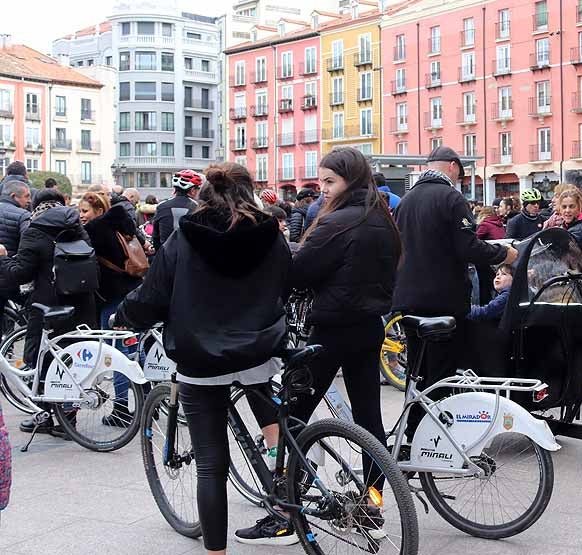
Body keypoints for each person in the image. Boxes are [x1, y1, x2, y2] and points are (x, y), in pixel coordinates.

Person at [116, 162, 291, 551]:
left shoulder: (184, 237)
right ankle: (286, 492)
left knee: (211, 466)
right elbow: (286, 282)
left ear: (202, 195)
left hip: (200, 357)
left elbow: (154, 294)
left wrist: (124, 317)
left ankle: (217, 550)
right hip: (257, 349)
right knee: (272, 420)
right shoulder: (271, 235)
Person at [240, 147, 400, 540]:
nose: (324, 189)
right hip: (368, 327)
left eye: (330, 181)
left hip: (330, 330)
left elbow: (297, 272)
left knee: (292, 418)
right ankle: (372, 503)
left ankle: (284, 514)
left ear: (350, 181)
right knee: (369, 420)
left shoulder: (337, 222)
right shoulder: (381, 218)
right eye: (322, 182)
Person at [393, 146, 516, 436]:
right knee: (442, 375)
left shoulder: (406, 201)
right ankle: (431, 437)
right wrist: (503, 255)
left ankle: (411, 436)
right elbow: (468, 247)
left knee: (417, 373)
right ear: (452, 167)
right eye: (460, 174)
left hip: (409, 300)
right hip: (443, 299)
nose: (459, 179)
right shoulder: (450, 197)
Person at [0, 189, 97, 436]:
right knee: (73, 361)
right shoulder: (77, 226)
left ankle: (43, 417)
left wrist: (3, 259)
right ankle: (69, 420)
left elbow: (20, 272)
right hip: (82, 304)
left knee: (38, 359)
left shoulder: (35, 230)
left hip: (48, 307)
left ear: (35, 205)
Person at [79, 190, 144, 425]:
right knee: (135, 349)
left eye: (85, 211)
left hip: (114, 297)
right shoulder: (123, 223)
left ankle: (121, 409)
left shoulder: (95, 230)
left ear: (98, 211)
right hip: (133, 291)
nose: (81, 215)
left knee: (116, 355)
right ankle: (147, 402)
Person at [152, 170, 202, 251]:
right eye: (198, 189)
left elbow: (155, 236)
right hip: (189, 258)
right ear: (192, 190)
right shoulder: (198, 208)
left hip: (165, 257)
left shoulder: (161, 206)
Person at [0, 180, 31, 257]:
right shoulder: (24, 215)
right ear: (14, 196)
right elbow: (29, 246)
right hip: (9, 264)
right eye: (27, 196)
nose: (30, 201)